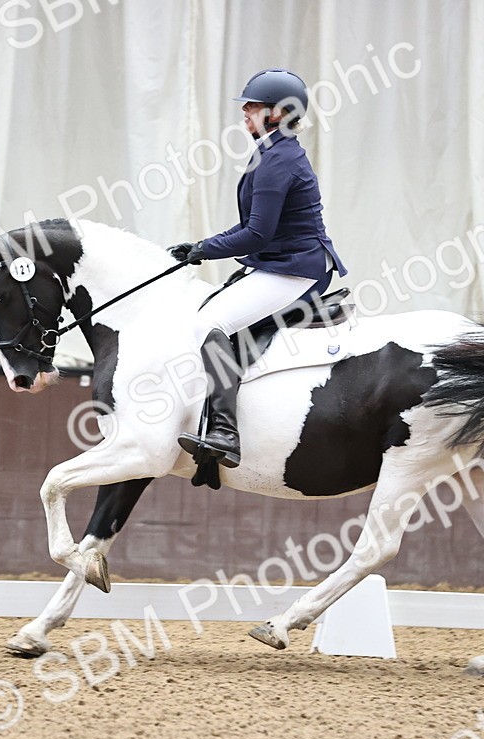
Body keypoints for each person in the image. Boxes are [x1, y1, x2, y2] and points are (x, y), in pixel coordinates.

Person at [168, 68, 347, 470]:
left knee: (209, 324)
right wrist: (200, 246)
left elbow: (256, 235)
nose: (244, 113)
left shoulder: (276, 159)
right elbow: (253, 227)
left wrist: (203, 250)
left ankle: (225, 434)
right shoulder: (273, 151)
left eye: (252, 106)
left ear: (276, 113)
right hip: (280, 263)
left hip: (294, 270)